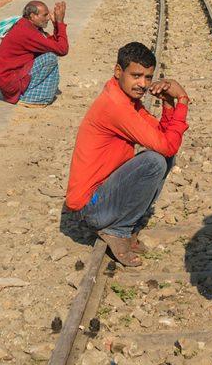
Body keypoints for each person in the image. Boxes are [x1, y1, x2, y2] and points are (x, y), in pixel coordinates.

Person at [65, 42, 189, 266]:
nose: (143, 84)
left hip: (102, 197)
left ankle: (124, 224)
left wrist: (169, 105)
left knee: (163, 157)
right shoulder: (116, 106)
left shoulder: (126, 100)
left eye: (148, 77)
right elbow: (167, 145)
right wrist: (183, 101)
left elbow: (162, 136)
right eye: (136, 75)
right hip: (91, 208)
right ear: (118, 72)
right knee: (154, 161)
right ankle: (119, 229)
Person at [0, 0, 69, 107]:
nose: (48, 18)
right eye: (45, 15)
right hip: (11, 83)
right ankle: (31, 98)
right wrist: (60, 22)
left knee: (49, 53)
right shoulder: (26, 31)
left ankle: (31, 94)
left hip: (11, 80)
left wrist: (56, 24)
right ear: (33, 16)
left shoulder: (29, 26)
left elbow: (52, 44)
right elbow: (62, 49)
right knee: (50, 58)